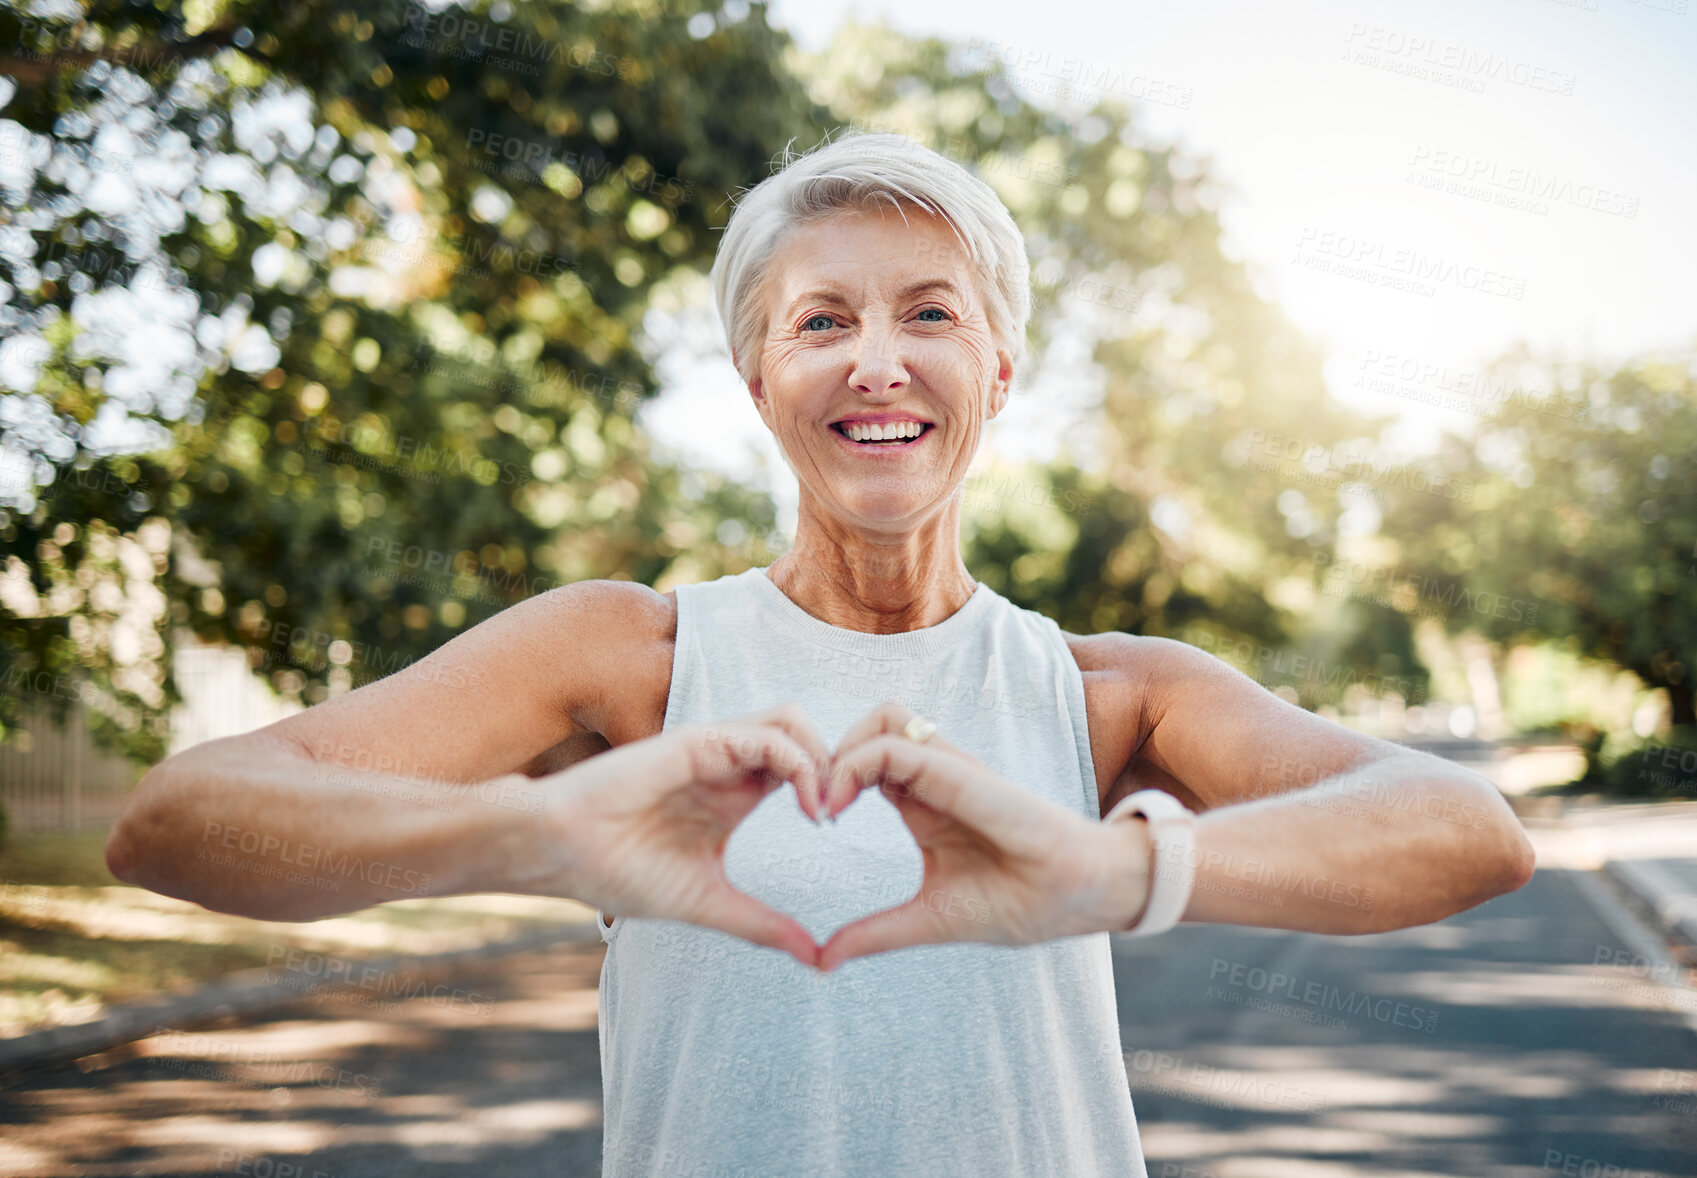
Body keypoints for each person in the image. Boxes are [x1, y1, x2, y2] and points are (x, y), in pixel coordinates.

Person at [104, 130, 1537, 1177]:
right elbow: (172, 825)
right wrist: (536, 831)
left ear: (997, 369)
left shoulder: (1106, 694)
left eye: (929, 313)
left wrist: (1115, 868)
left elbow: (1465, 831)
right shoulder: (628, 657)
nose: (876, 360)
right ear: (756, 379)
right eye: (821, 322)